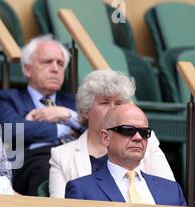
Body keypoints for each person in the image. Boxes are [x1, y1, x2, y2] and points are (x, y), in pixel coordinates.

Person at [49, 70, 175, 198]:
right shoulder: (62, 156)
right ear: (85, 111)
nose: (113, 108)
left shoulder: (146, 141)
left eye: (119, 103)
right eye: (104, 102)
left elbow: (169, 193)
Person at [0, 35, 83, 196]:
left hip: (76, 158)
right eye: (47, 62)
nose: (55, 69)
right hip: (34, 162)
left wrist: (67, 114)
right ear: (27, 69)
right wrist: (64, 129)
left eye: (60, 64)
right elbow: (10, 130)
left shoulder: (74, 102)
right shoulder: (7, 98)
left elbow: (96, 127)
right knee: (47, 171)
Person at [65, 104, 186, 206]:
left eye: (144, 132)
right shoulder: (82, 190)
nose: (138, 138)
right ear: (106, 137)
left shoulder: (172, 190)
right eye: (128, 130)